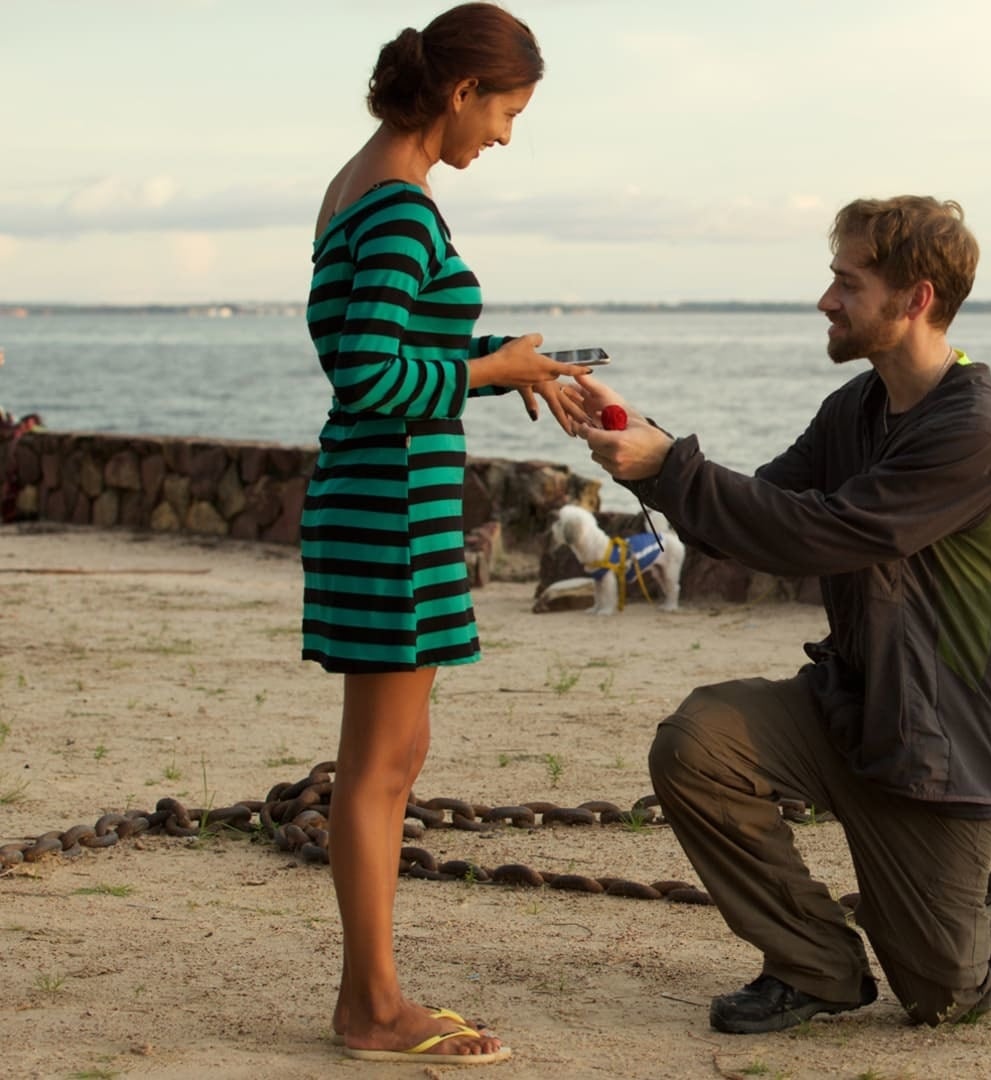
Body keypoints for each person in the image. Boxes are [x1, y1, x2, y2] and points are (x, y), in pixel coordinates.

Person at [570, 196, 991, 1033]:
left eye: (847, 282)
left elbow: (829, 533)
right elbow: (762, 509)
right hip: (847, 711)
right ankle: (815, 967)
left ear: (915, 298)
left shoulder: (983, 426)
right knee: (697, 744)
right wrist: (642, 450)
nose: (826, 300)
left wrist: (672, 468)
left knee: (944, 990)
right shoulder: (855, 407)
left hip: (937, 748)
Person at [301, 3, 589, 1065]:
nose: (505, 137)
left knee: (393, 756)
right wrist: (487, 371)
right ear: (462, 93)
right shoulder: (397, 205)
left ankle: (371, 997)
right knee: (379, 766)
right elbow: (369, 375)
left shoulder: (366, 188)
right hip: (387, 508)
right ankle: (370, 1008)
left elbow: (388, 342)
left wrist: (504, 360)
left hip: (388, 503)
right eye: (508, 112)